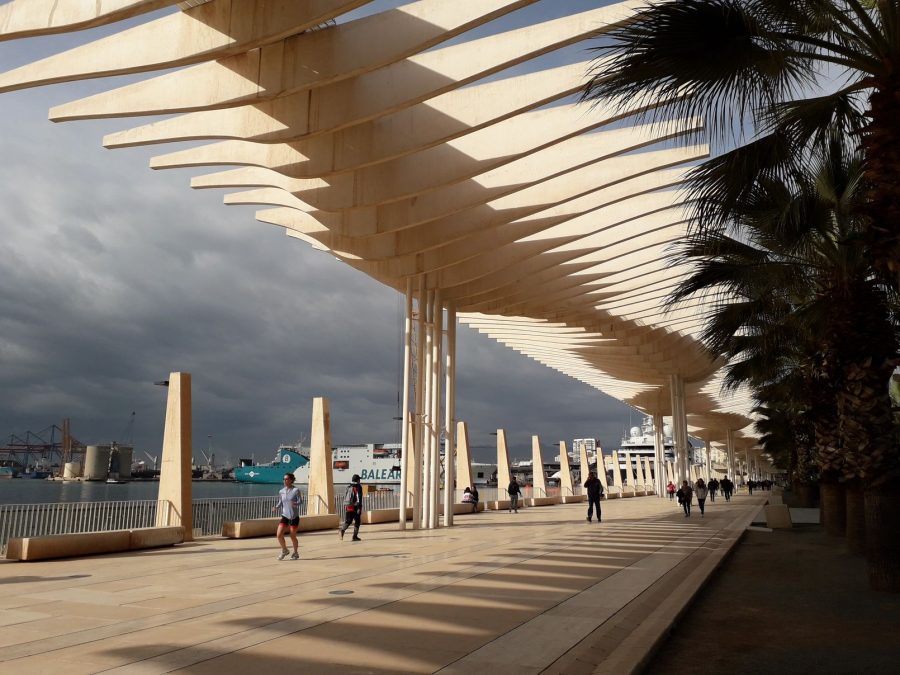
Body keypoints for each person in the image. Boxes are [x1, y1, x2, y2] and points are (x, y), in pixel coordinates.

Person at [272, 472, 302, 560]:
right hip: (285, 516)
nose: (284, 481)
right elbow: (280, 502)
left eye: (286, 479)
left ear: (291, 480)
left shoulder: (296, 490)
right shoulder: (281, 491)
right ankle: (284, 550)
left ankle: (295, 553)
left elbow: (301, 501)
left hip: (294, 517)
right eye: (284, 479)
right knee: (279, 534)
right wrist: (276, 507)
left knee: (292, 536)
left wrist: (296, 503)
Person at [339, 474, 363, 542]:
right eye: (359, 479)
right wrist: (359, 508)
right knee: (357, 521)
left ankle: (342, 530)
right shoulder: (358, 487)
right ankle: (354, 536)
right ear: (357, 480)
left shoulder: (349, 486)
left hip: (348, 505)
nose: (360, 480)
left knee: (348, 521)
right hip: (355, 506)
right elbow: (359, 498)